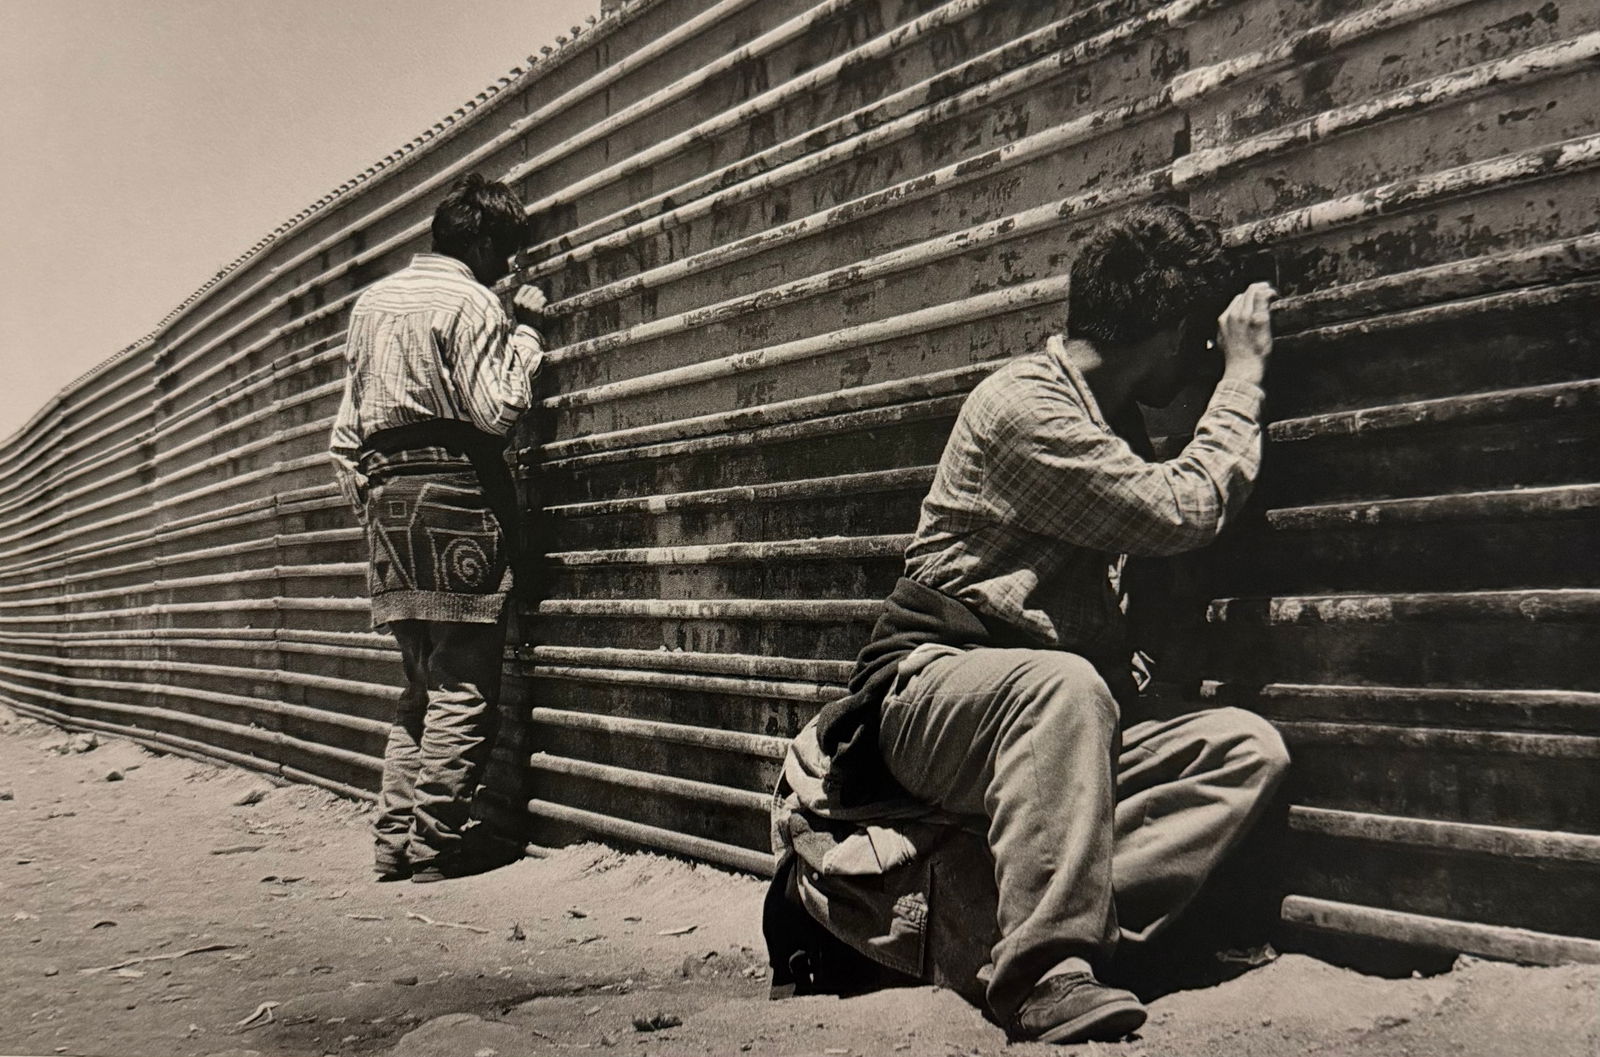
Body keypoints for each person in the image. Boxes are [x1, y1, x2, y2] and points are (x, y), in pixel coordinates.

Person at [768, 205, 1291, 1043]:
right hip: (931, 690)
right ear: (1170, 333)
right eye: (1198, 339)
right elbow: (1184, 507)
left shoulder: (1110, 421)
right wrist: (1243, 379)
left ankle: (992, 920)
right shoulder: (1023, 407)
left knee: (1241, 749)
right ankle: (1044, 975)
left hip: (1049, 717)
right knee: (1063, 687)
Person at [328, 173, 546, 884]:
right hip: (455, 495)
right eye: (506, 252)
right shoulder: (472, 302)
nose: (508, 267)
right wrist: (526, 334)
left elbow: (344, 437)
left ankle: (392, 844)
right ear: (480, 244)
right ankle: (432, 846)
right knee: (464, 687)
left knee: (419, 685)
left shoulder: (370, 304)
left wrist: (379, 504)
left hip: (389, 503)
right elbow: (496, 411)